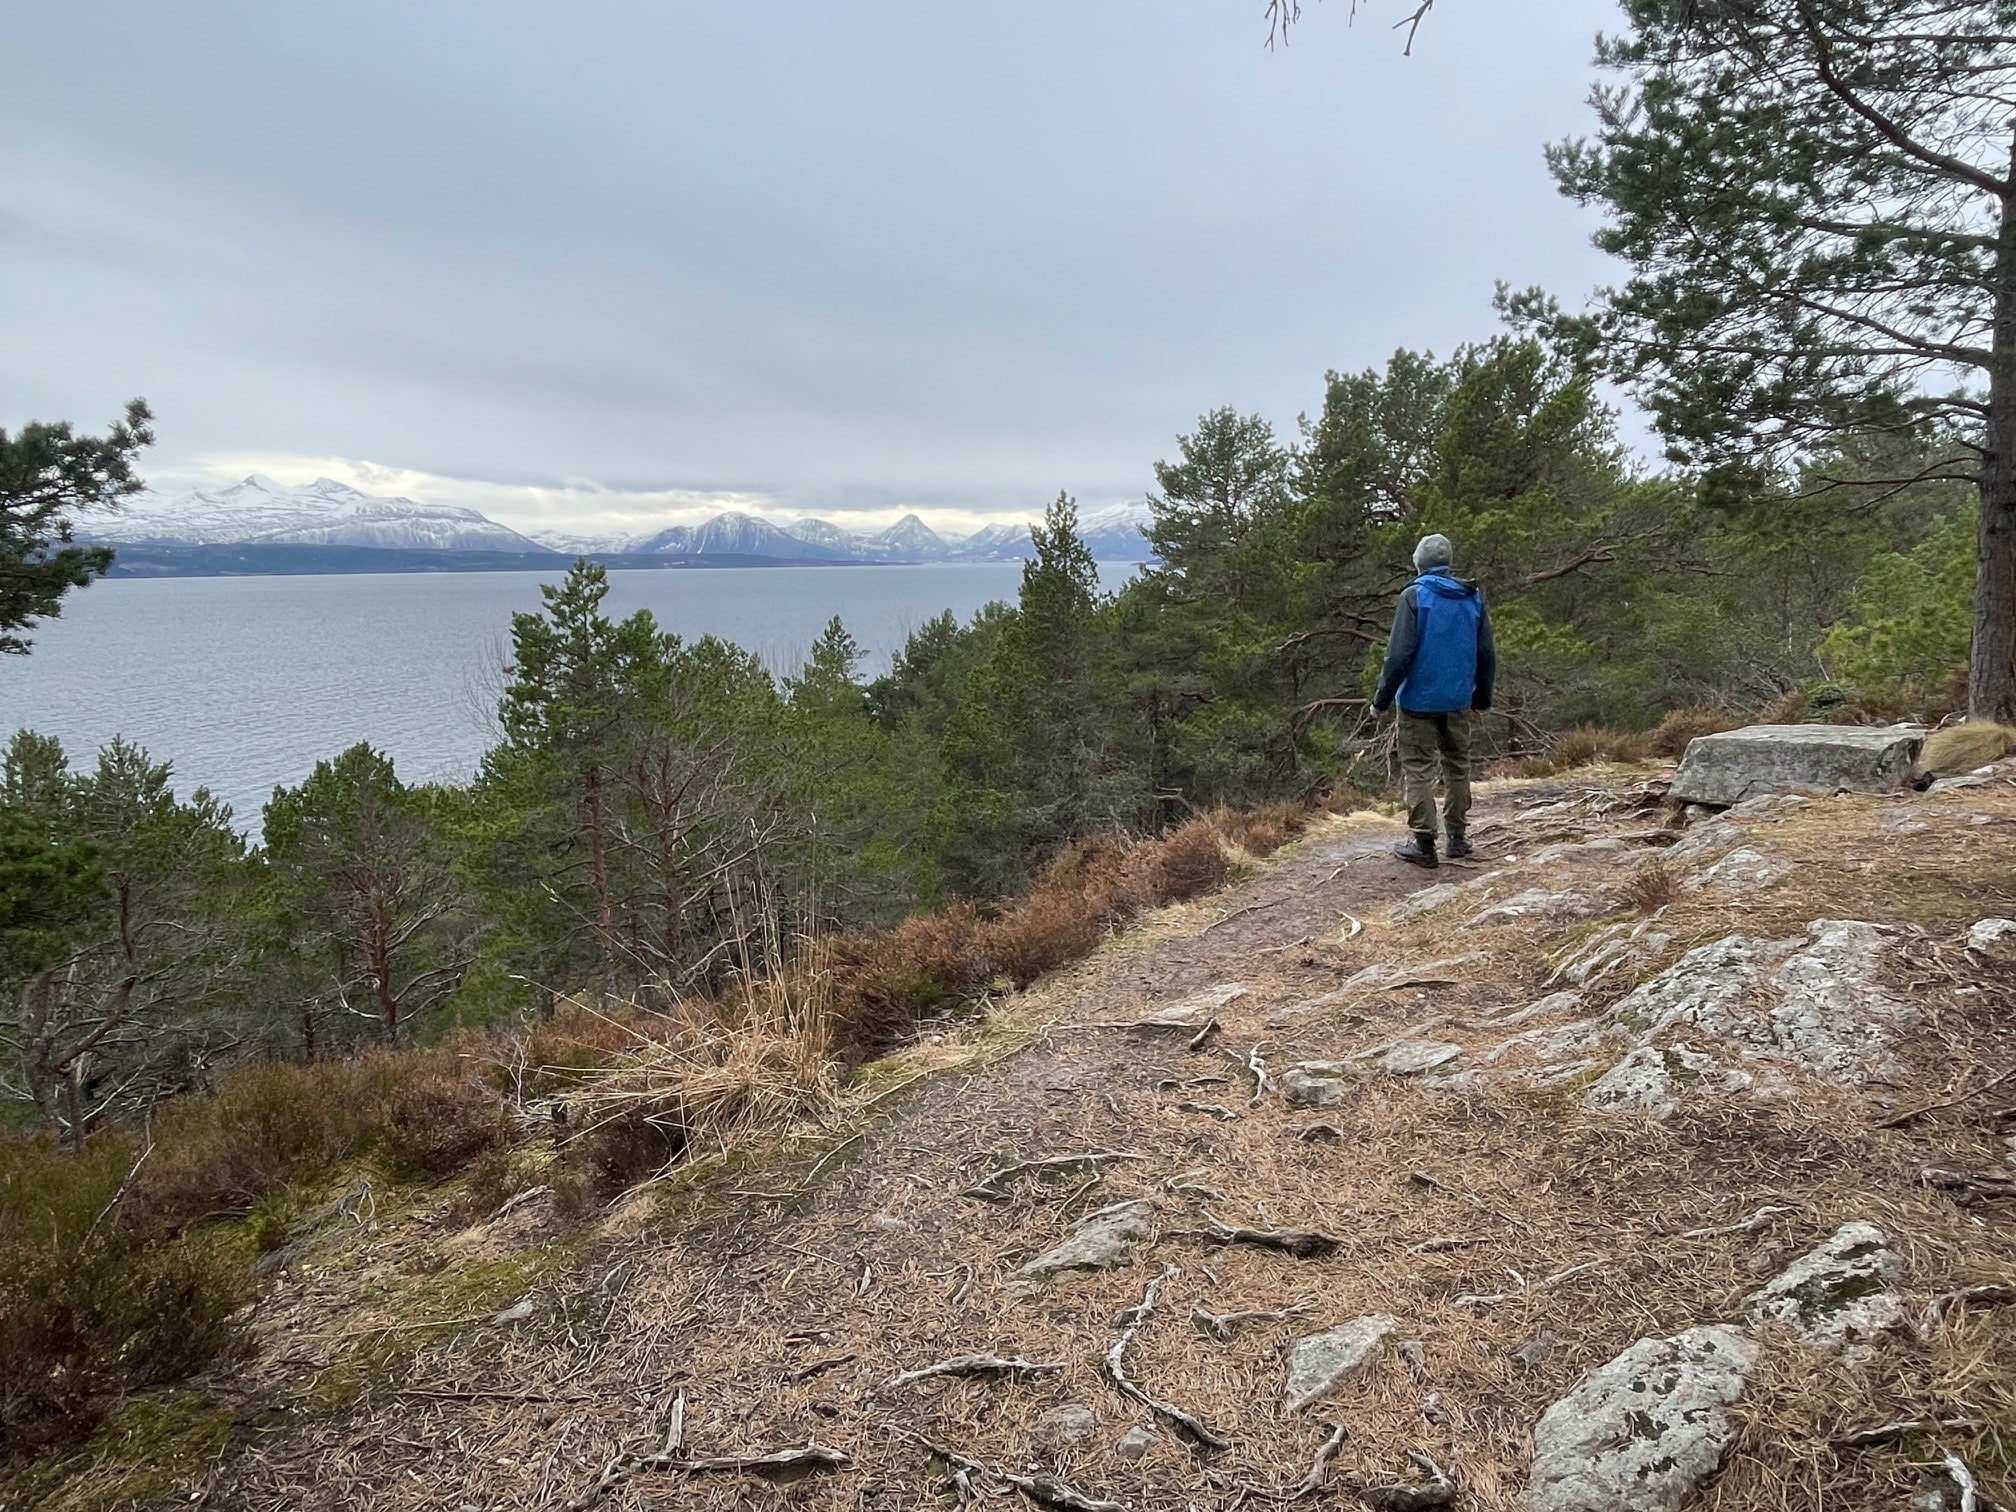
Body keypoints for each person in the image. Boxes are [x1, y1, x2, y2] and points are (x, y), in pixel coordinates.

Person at [1370, 533, 1496, 869]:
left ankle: (1425, 844)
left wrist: (1380, 700)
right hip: (1457, 699)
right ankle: (1457, 838)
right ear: (1447, 562)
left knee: (1418, 770)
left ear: (1419, 563)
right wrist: (1482, 697)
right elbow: (1486, 653)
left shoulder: (1414, 596)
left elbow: (1398, 656)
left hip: (1416, 701)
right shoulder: (1473, 597)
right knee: (1457, 766)